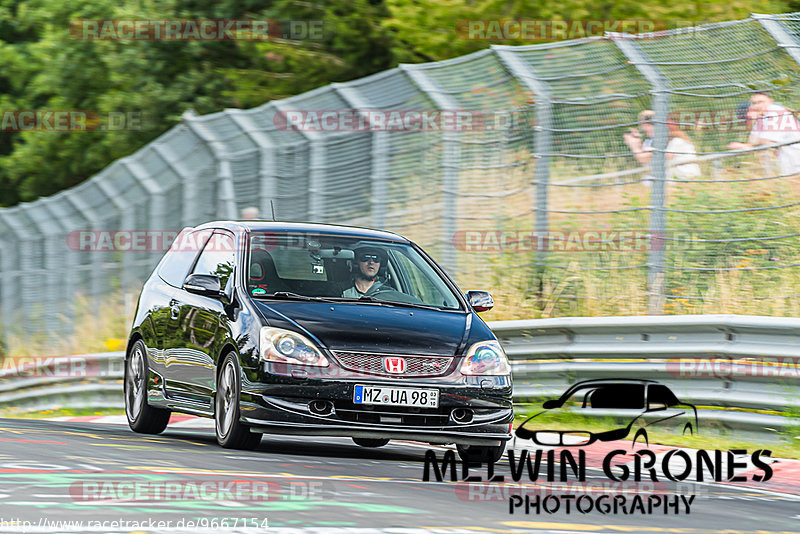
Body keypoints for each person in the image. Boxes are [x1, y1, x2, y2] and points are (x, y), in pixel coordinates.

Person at [728, 92, 800, 176]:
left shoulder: (776, 112)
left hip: (796, 161)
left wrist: (746, 146)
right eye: (755, 103)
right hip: (787, 164)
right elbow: (753, 141)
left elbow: (766, 142)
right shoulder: (761, 117)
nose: (758, 106)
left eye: (761, 102)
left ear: (770, 101)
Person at [664, 111, 701, 179]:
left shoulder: (677, 140)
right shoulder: (680, 138)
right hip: (687, 175)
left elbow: (667, 156)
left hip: (686, 176)